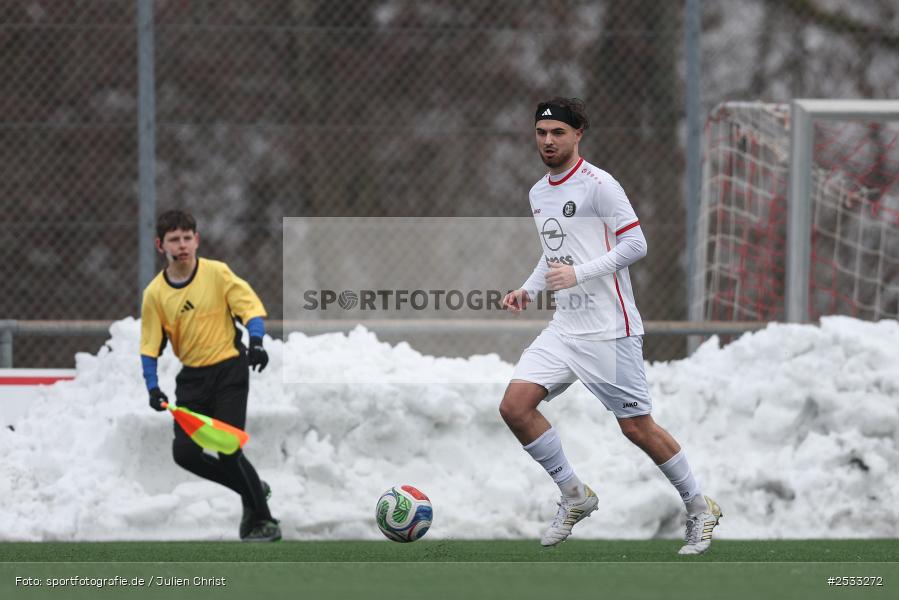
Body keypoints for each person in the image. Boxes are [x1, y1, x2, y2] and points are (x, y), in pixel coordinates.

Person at [500, 97, 722, 554]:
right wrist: (529, 287)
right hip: (564, 329)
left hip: (609, 330)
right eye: (541, 133)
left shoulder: (600, 185)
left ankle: (699, 507)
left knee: (637, 427)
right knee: (515, 408)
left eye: (558, 133)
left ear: (578, 134)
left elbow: (636, 244)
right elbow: (556, 250)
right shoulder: (539, 192)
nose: (548, 141)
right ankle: (574, 496)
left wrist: (579, 274)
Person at [139, 209, 280, 542]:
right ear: (161, 246)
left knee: (228, 450)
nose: (182, 245)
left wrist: (256, 342)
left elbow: (249, 308)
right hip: (192, 380)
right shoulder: (155, 294)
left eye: (187, 238)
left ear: (197, 240)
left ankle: (264, 521)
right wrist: (152, 387)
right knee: (185, 454)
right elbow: (149, 347)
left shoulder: (217, 273)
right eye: (174, 239)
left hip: (229, 372)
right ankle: (252, 489)